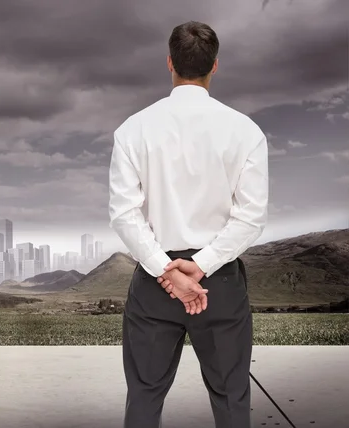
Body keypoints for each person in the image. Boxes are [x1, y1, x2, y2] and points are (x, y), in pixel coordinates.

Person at [107, 21, 269, 428]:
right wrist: (202, 266)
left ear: (169, 64)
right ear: (215, 66)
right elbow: (250, 217)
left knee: (144, 397)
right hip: (220, 284)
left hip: (154, 285)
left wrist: (167, 270)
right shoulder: (246, 132)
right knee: (232, 397)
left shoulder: (133, 130)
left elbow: (124, 214)